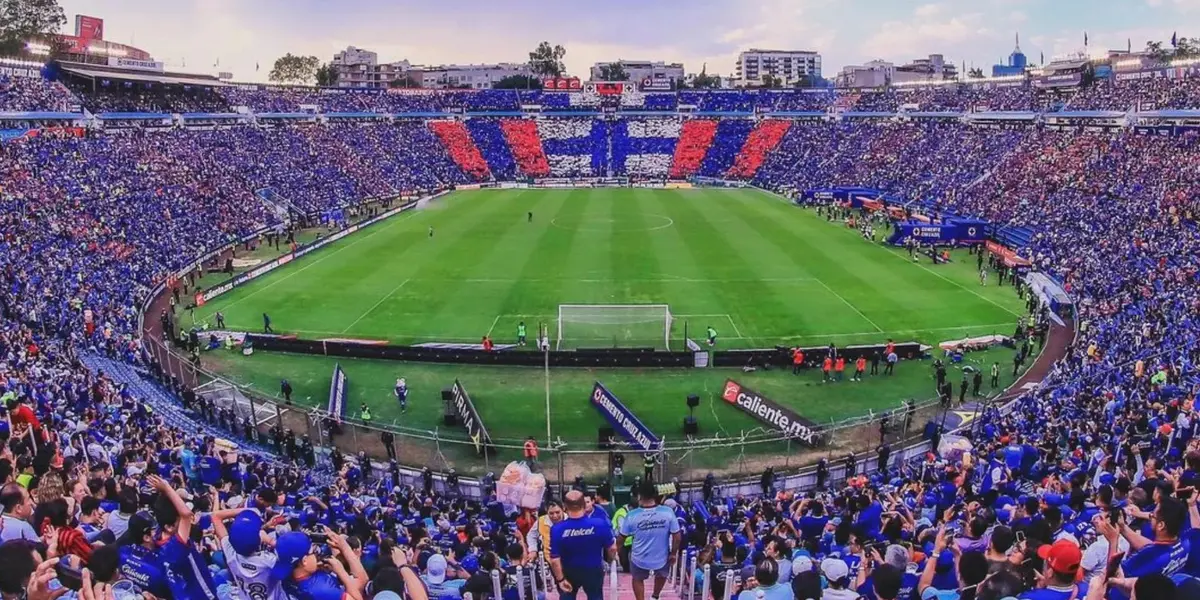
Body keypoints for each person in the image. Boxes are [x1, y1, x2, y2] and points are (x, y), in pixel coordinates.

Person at [618, 481, 681, 600]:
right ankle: (655, 596)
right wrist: (673, 553)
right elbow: (677, 536)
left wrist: (616, 551)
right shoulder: (668, 512)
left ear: (639, 496)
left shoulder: (631, 515)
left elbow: (621, 537)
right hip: (661, 556)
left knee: (637, 578)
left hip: (639, 557)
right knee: (662, 575)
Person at [549, 490, 616, 600]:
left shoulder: (557, 529)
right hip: (593, 569)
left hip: (569, 571)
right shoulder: (599, 524)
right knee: (595, 597)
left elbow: (554, 560)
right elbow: (612, 548)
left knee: (567, 596)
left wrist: (560, 579)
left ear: (565, 506)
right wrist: (609, 560)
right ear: (584, 505)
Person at [272, 526, 369, 600]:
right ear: (304, 561)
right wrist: (341, 570)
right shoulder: (323, 590)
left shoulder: (286, 576)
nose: (316, 554)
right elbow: (363, 583)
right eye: (313, 551)